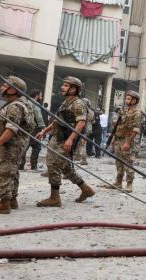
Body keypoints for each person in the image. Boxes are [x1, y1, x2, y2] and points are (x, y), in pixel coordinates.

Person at [35, 76, 95, 207]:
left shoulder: (78, 103)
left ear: (74, 89)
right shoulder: (66, 102)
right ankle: (86, 189)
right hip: (58, 137)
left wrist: (70, 139)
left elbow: (81, 123)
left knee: (53, 165)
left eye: (66, 85)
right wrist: (45, 131)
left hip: (64, 139)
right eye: (64, 85)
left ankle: (54, 197)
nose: (62, 87)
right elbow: (57, 120)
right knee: (66, 168)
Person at [0, 76, 31, 214]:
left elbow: (11, 129)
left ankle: (4, 204)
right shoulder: (17, 104)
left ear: (13, 90)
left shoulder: (15, 106)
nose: (1, 88)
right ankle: (11, 200)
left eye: (5, 85)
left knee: (4, 171)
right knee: (13, 171)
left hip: (12, 145)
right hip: (15, 144)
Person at [102, 91, 142, 193]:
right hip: (118, 139)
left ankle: (129, 184)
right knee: (118, 162)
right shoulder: (124, 111)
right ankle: (118, 182)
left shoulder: (136, 113)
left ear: (134, 101)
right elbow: (117, 127)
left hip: (127, 140)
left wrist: (128, 142)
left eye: (129, 99)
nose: (127, 100)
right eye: (126, 98)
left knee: (128, 162)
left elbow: (135, 130)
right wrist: (114, 139)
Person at [19, 89, 45, 171]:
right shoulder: (35, 104)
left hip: (25, 128)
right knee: (36, 147)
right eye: (40, 94)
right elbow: (38, 116)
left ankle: (20, 164)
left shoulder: (26, 102)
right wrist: (43, 127)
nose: (41, 96)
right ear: (37, 95)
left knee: (24, 146)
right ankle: (33, 166)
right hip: (35, 129)